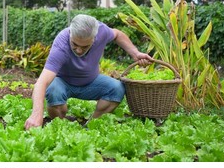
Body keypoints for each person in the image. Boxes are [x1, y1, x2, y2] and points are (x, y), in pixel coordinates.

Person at [24, 14, 152, 130]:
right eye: (75, 44)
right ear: (70, 34)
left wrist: (135, 53)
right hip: (63, 83)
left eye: (84, 46)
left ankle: (91, 126)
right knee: (53, 91)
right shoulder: (61, 44)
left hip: (91, 83)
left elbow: (117, 34)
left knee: (117, 88)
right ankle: (60, 126)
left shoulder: (102, 31)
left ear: (95, 38)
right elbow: (42, 82)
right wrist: (36, 115)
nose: (79, 50)